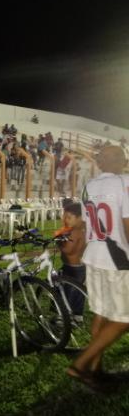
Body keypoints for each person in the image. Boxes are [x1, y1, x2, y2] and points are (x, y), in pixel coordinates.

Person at [67, 146, 129, 392]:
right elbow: (126, 224)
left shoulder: (88, 186)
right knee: (124, 319)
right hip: (117, 258)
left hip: (94, 255)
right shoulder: (124, 182)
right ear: (120, 160)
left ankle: (95, 370)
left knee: (101, 314)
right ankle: (81, 364)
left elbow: (86, 220)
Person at [55, 202, 86, 322]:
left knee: (67, 291)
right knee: (78, 291)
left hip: (71, 268)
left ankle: (64, 316)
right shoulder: (82, 230)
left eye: (69, 217)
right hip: (80, 267)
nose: (66, 220)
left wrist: (59, 242)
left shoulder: (73, 232)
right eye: (64, 217)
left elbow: (68, 250)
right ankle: (78, 315)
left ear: (79, 218)